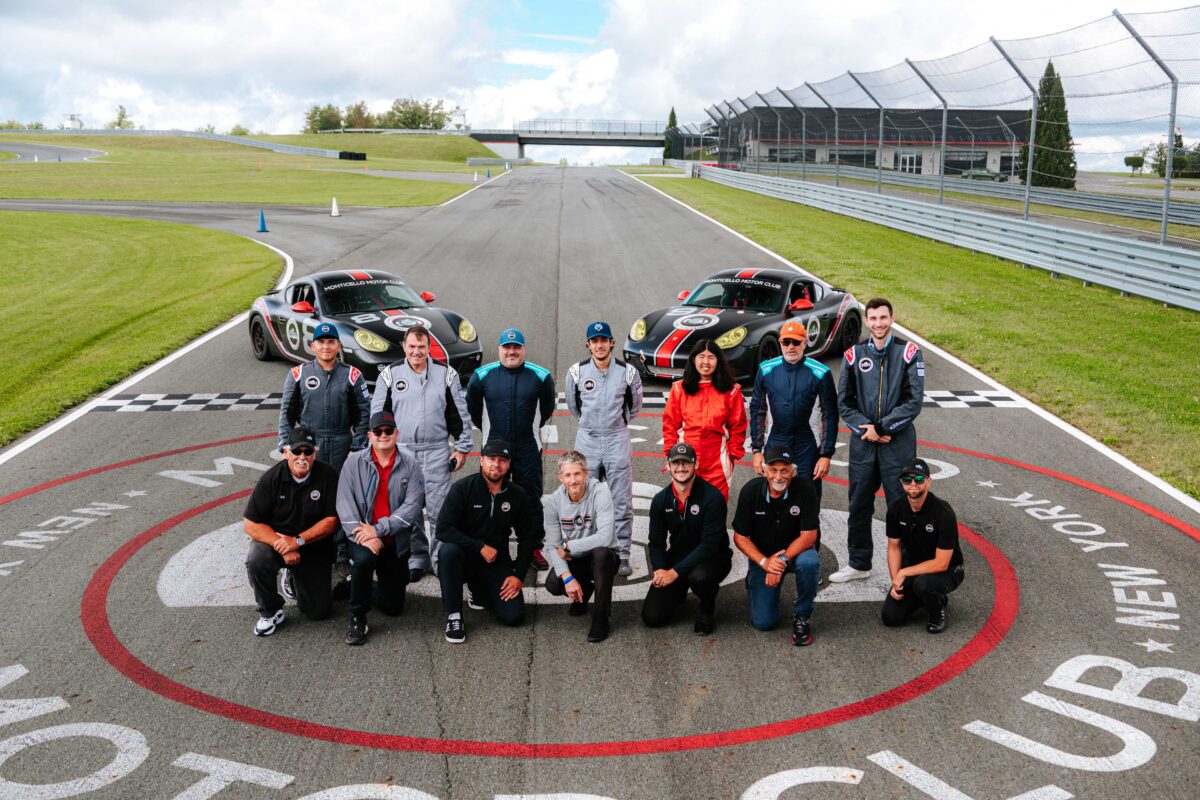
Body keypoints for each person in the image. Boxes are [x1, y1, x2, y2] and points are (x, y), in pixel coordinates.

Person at [833, 298, 925, 583]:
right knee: (858, 503)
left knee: (902, 504)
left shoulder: (910, 352)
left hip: (897, 444)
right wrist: (868, 430)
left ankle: (909, 568)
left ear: (892, 318)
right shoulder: (852, 355)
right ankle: (859, 563)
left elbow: (914, 402)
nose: (878, 324)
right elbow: (844, 403)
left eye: (883, 318)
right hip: (864, 444)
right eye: (873, 319)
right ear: (866, 321)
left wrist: (884, 427)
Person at [372, 324, 472, 582]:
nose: (417, 352)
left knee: (441, 511)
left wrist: (461, 448)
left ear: (429, 348)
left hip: (438, 451)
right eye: (412, 346)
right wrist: (380, 452)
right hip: (403, 453)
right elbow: (378, 418)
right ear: (404, 346)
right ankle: (418, 557)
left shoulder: (446, 374)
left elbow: (460, 415)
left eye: (422, 347)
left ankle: (440, 560)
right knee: (410, 511)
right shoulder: (390, 375)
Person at [277, 321, 371, 588]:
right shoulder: (298, 374)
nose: (327, 346)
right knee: (304, 500)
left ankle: (341, 554)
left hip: (342, 441)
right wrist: (286, 445)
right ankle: (300, 553)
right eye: (322, 342)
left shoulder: (352, 375)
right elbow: (286, 414)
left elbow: (364, 413)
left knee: (343, 499)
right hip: (309, 444)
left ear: (338, 346)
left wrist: (357, 446)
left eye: (332, 342)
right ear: (313, 345)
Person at [466, 327, 556, 570]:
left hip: (528, 448)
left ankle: (534, 548)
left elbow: (546, 410)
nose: (512, 352)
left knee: (530, 500)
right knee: (490, 500)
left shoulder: (541, 376)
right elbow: (474, 410)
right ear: (500, 349)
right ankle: (494, 548)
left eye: (517, 347)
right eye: (507, 347)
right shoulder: (481, 376)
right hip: (494, 448)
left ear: (523, 349)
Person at [436, 439, 542, 643]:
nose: (496, 464)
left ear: (509, 464)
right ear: (482, 461)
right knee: (448, 552)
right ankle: (454, 615)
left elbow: (528, 538)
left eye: (502, 460)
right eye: (491, 459)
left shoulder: (516, 495)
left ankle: (480, 591)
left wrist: (518, 576)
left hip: (496, 561)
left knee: (514, 616)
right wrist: (479, 546)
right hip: (465, 558)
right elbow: (443, 529)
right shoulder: (463, 488)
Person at [334, 411, 425, 646]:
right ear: (369, 435)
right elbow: (344, 503)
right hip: (362, 536)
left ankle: (355, 585)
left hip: (393, 539)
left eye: (388, 431)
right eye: (378, 431)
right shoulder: (353, 462)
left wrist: (379, 529)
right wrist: (363, 534)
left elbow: (412, 508)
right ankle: (357, 617)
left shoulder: (411, 465)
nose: (383, 435)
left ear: (396, 433)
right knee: (364, 561)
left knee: (393, 607)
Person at [564, 321, 643, 577]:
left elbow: (635, 406)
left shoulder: (628, 372)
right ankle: (586, 551)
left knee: (621, 500)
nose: (599, 345)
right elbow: (574, 406)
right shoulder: (576, 372)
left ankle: (622, 554)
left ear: (612, 342)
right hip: (587, 438)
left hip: (616, 437)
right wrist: (592, 428)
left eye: (604, 340)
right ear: (588, 345)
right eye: (594, 341)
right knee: (582, 498)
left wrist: (615, 426)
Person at [243, 427, 339, 637]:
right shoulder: (271, 479)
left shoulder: (328, 475)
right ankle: (270, 611)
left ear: (315, 453)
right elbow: (251, 524)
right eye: (297, 452)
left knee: (319, 612)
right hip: (278, 542)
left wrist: (298, 541)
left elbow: (331, 521)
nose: (302, 457)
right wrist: (284, 546)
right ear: (286, 452)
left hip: (311, 544)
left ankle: (295, 578)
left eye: (307, 452)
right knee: (257, 559)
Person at [732, 446, 821, 646]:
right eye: (773, 470)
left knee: (810, 563)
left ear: (793, 471)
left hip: (795, 552)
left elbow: (809, 536)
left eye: (784, 470)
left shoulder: (805, 488)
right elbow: (740, 537)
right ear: (764, 470)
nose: (778, 476)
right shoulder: (750, 491)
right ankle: (755, 580)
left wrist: (780, 560)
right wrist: (764, 562)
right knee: (764, 622)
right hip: (763, 556)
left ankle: (802, 617)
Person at [642, 443, 732, 636]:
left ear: (695, 465)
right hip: (679, 556)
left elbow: (709, 545)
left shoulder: (713, 497)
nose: (681, 467)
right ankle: (679, 592)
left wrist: (674, 573)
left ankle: (706, 610)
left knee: (700, 578)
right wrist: (659, 569)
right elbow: (656, 542)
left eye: (686, 463)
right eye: (676, 463)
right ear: (669, 466)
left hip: (712, 558)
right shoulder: (660, 500)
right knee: (652, 617)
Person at [749, 320, 837, 506]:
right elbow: (758, 410)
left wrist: (825, 455)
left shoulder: (821, 372)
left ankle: (811, 536)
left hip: (807, 445)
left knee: (808, 499)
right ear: (780, 343)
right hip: (776, 441)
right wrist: (756, 450)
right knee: (773, 498)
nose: (791, 347)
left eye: (796, 342)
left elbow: (830, 415)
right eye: (786, 342)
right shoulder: (765, 370)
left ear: (805, 342)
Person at [543, 451, 619, 643]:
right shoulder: (552, 502)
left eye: (577, 474)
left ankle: (601, 617)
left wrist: (569, 545)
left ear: (586, 473)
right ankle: (583, 591)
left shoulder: (601, 491)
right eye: (567, 475)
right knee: (554, 583)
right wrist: (568, 578)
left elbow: (605, 536)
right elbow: (553, 545)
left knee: (602, 554)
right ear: (560, 477)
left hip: (603, 557)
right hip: (576, 558)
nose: (573, 480)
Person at [882, 459, 964, 634]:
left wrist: (903, 573)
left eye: (919, 479)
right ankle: (927, 597)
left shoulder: (943, 512)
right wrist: (896, 579)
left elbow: (941, 563)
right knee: (891, 618)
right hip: (916, 569)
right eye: (907, 480)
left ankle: (936, 612)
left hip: (948, 570)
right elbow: (894, 547)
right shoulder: (896, 509)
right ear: (901, 483)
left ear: (928, 481)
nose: (913, 484)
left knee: (924, 584)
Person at [661, 339, 748, 501]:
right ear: (693, 360)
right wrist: (672, 454)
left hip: (718, 460)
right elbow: (669, 425)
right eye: (701, 356)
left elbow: (738, 425)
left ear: (718, 361)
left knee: (716, 506)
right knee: (685, 506)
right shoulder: (679, 388)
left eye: (711, 357)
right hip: (685, 457)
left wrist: (732, 455)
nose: (706, 362)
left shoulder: (731, 391)